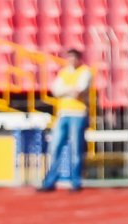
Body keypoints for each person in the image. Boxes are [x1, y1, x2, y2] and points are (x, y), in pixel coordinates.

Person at [38, 48, 92, 193]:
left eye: (74, 58)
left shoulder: (85, 71)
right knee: (55, 148)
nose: (71, 60)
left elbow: (79, 89)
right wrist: (70, 90)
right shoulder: (64, 72)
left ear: (79, 59)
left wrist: (65, 90)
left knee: (76, 149)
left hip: (78, 114)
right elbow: (55, 90)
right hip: (63, 114)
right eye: (69, 58)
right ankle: (50, 182)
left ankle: (76, 182)